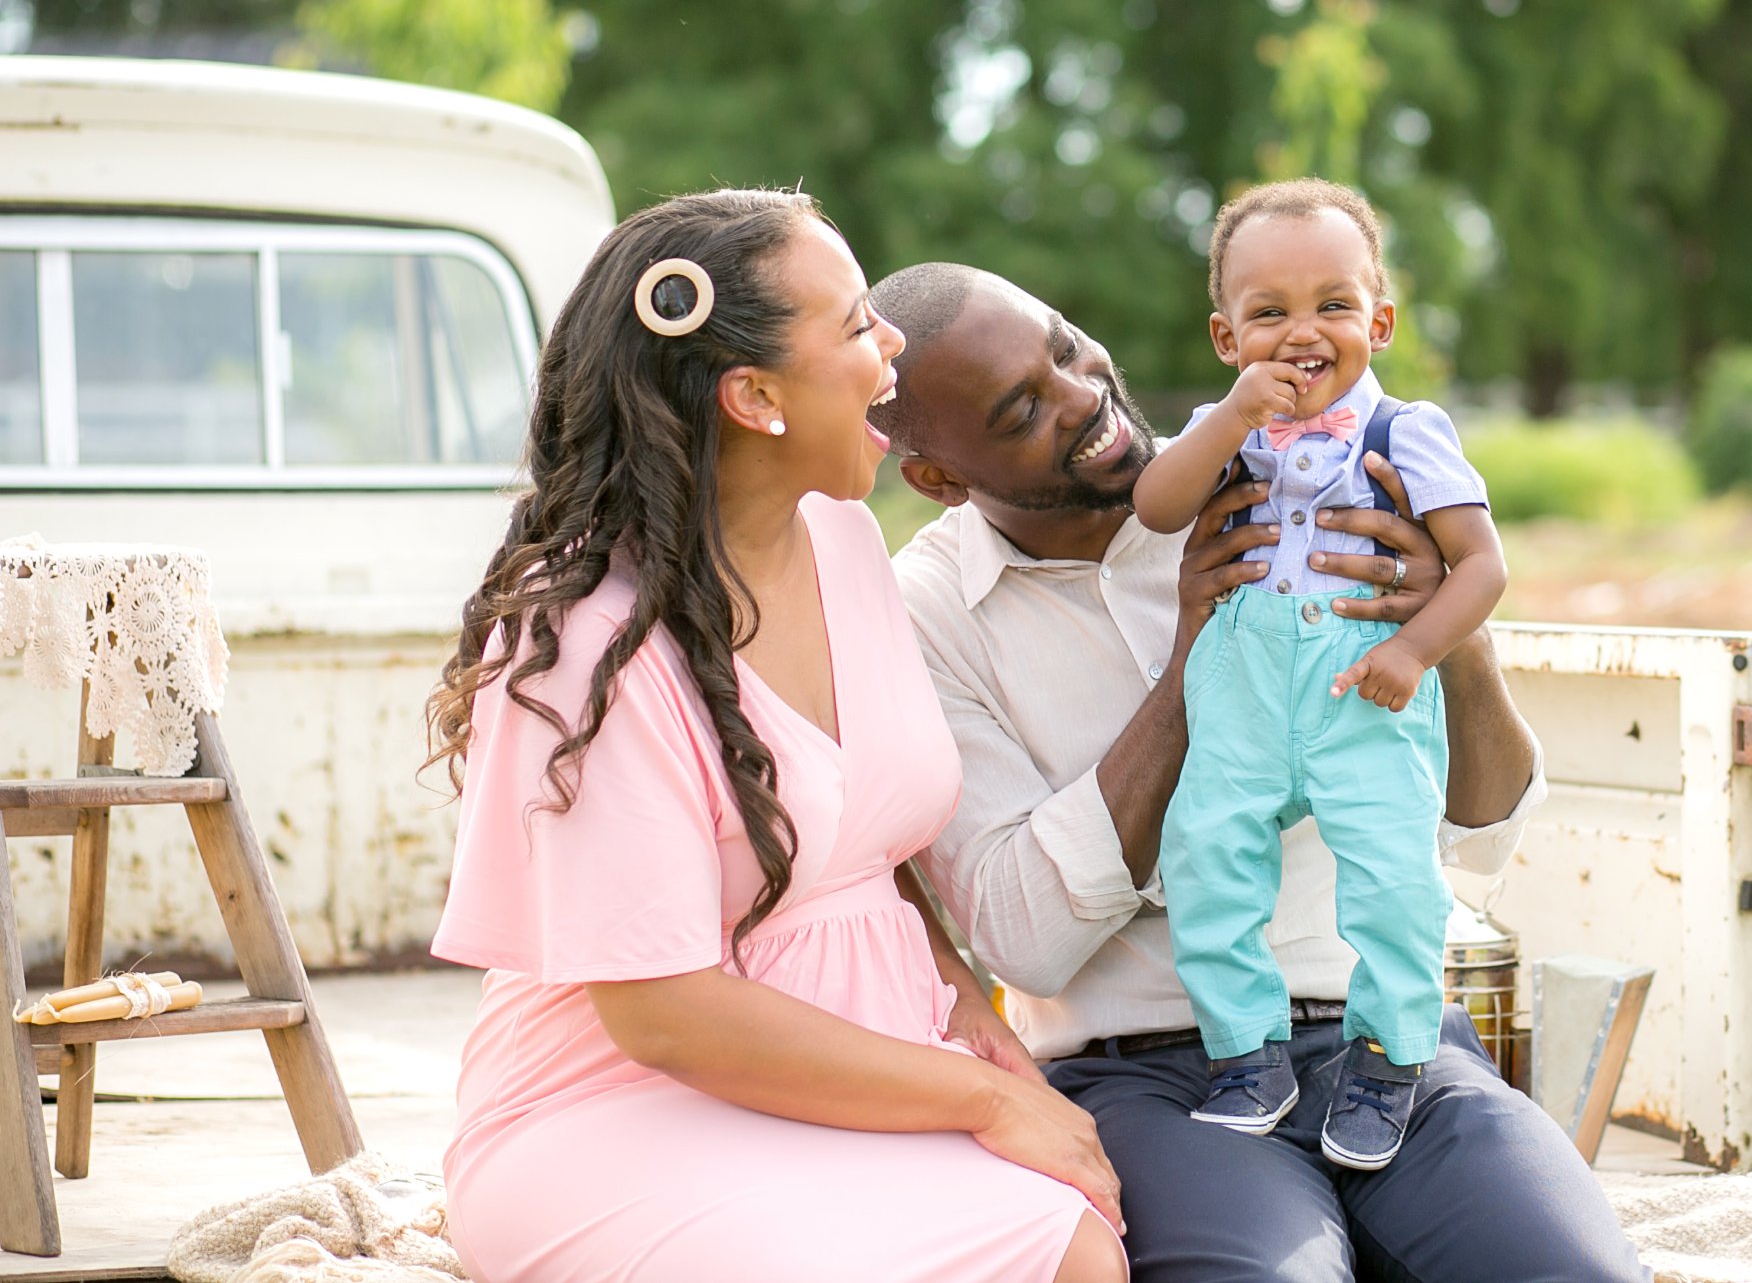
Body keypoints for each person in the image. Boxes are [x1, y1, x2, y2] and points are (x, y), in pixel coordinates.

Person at [877, 258, 1648, 1283]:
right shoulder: (923, 616)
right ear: (936, 475)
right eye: (1022, 408)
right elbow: (1028, 940)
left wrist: (1450, 633)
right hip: (1148, 1073)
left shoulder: (1303, 474)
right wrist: (1204, 649)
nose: (1082, 397)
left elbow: (1482, 839)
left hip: (1395, 1046)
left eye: (1064, 346)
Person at [423, 190, 1128, 1283]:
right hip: (623, 1107)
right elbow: (665, 1015)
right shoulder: (585, 643)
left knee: (1077, 1239)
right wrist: (981, 1095)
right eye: (854, 325)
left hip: (872, 1057)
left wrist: (962, 1004)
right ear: (755, 395)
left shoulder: (846, 539)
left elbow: (866, 851)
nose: (890, 340)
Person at [1129, 180, 1507, 1166]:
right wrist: (1228, 416)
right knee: (1208, 855)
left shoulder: (1407, 431)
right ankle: (1247, 1053)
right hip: (1247, 682)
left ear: (1378, 320)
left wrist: (1413, 648)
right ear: (1226, 336)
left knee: (1393, 878)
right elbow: (1159, 504)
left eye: (1332, 304)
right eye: (1269, 312)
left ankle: (1386, 1058)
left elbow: (1481, 564)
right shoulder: (1230, 431)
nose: (1303, 331)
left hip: (1361, 679)